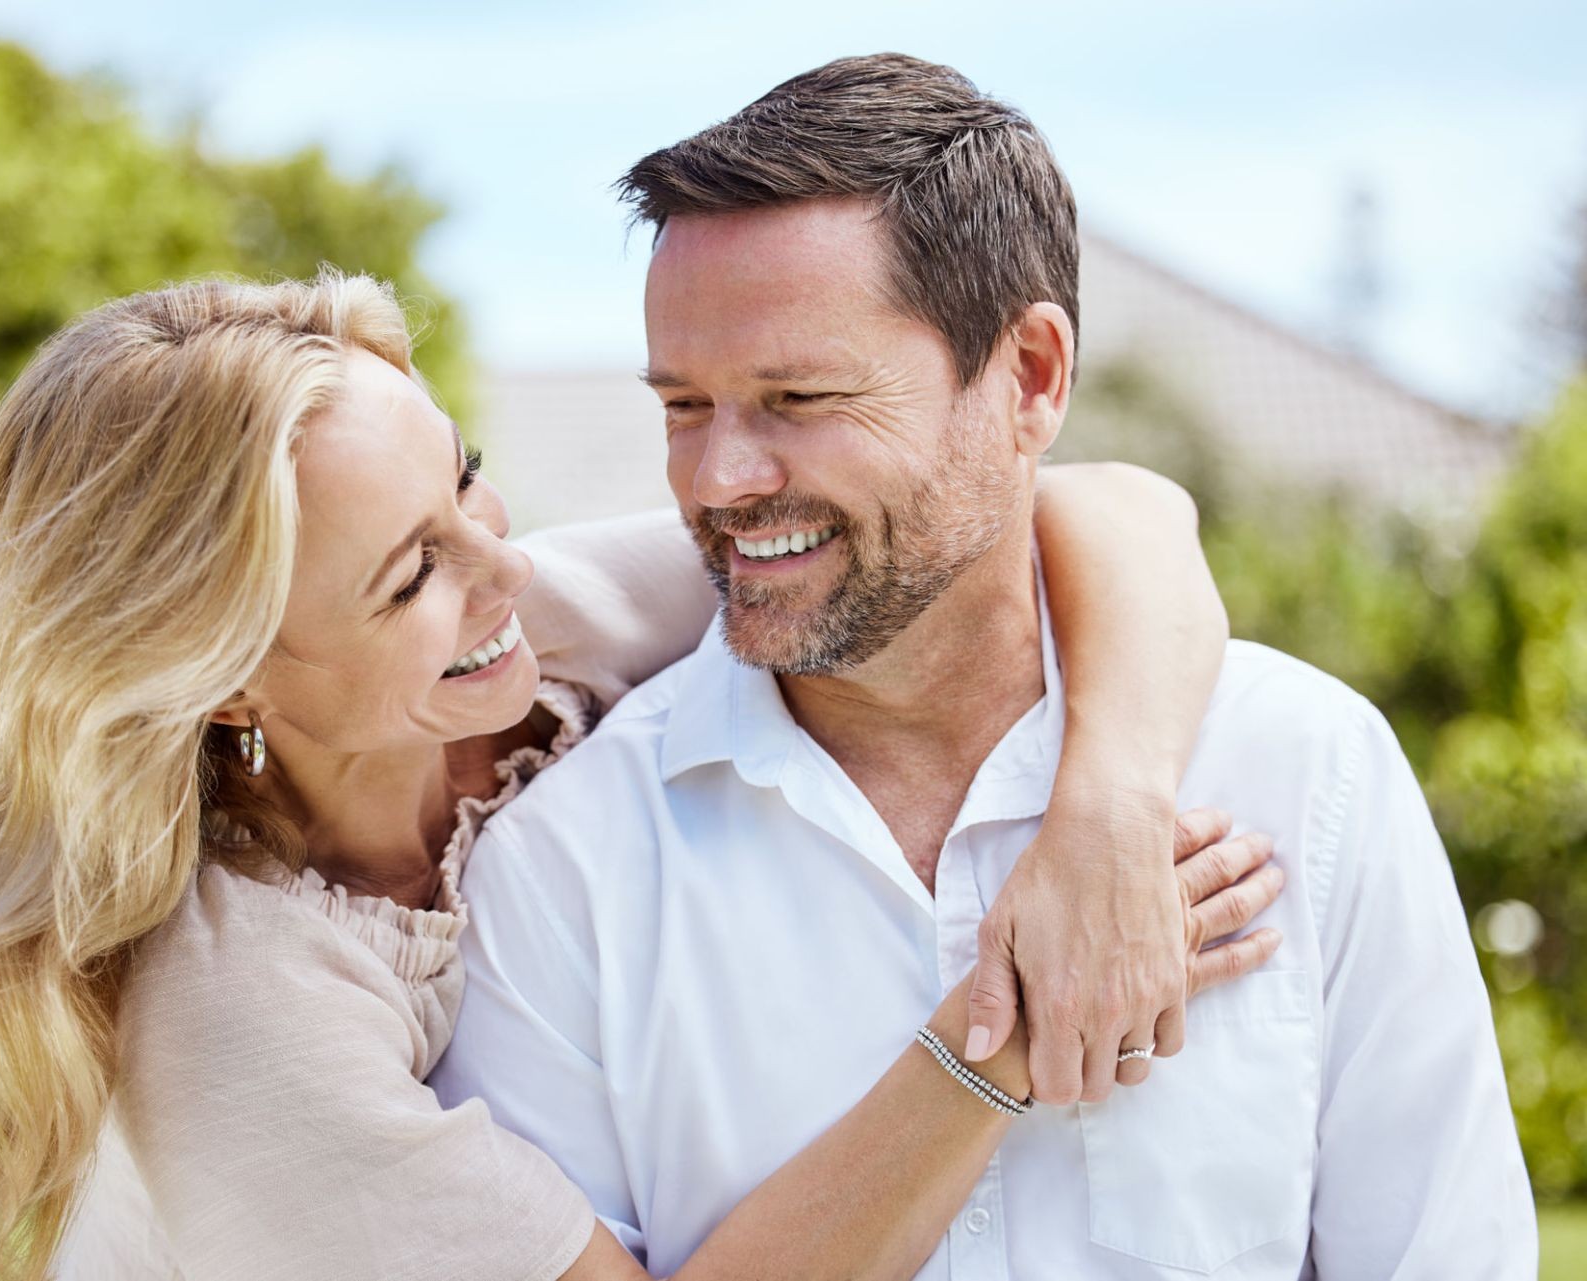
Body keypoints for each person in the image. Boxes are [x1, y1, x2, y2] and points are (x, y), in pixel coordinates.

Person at [0, 267, 1276, 1281]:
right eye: (413, 573)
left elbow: (1090, 507)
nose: (506, 565)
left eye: (462, 479)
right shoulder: (243, 1036)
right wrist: (1004, 1033)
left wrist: (1106, 812)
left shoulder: (528, 630)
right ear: (224, 681)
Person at [430, 53, 1538, 1279]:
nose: (718, 479)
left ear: (1032, 378)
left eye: (799, 396)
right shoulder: (559, 879)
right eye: (684, 406)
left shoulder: (1306, 773)